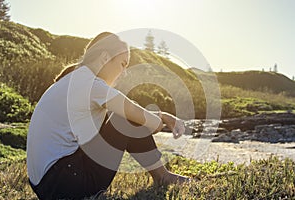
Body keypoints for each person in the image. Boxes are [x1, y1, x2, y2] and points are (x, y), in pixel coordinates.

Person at [27, 32, 189, 200]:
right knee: (126, 118)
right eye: (122, 64)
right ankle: (162, 176)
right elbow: (143, 119)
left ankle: (162, 175)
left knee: (124, 115)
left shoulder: (75, 79)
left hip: (48, 184)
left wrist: (161, 116)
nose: (124, 73)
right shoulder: (91, 85)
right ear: (105, 57)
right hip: (65, 182)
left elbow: (128, 114)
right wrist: (159, 120)